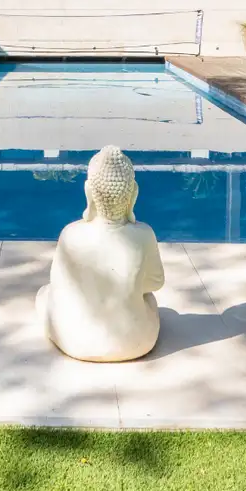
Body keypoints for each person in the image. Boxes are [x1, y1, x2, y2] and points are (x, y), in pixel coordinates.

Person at [35, 146, 165, 361]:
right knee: (148, 300)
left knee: (44, 295)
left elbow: (59, 288)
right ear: (133, 194)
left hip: (75, 342)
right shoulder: (144, 235)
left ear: (89, 192)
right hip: (136, 341)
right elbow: (155, 284)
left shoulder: (71, 234)